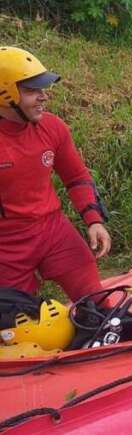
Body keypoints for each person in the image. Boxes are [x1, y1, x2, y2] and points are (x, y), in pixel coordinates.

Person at [0, 46, 111, 302]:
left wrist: (94, 220)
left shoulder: (52, 127)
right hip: (6, 246)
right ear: (6, 94)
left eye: (42, 89)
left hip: (53, 231)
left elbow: (77, 177)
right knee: (18, 325)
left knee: (97, 302)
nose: (43, 97)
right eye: (31, 90)